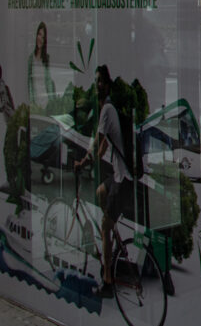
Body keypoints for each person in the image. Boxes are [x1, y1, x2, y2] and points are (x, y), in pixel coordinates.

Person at [74, 66, 129, 299]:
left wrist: (84, 161)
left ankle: (107, 280)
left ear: (107, 85)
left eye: (100, 81)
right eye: (95, 80)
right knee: (99, 193)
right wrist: (94, 159)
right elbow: (105, 144)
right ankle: (114, 243)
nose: (97, 84)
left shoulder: (107, 109)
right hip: (117, 174)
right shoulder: (110, 109)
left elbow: (98, 141)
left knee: (105, 226)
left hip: (122, 178)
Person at [27, 22, 56, 109]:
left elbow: (48, 81)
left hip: (46, 102)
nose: (40, 39)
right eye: (39, 34)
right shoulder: (31, 58)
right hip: (35, 103)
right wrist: (32, 101)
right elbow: (29, 82)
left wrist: (51, 102)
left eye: (43, 37)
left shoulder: (46, 58)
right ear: (36, 35)